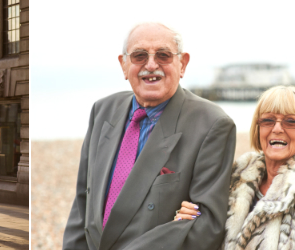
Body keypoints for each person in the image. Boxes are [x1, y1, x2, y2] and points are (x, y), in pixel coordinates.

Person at [62, 22, 237, 250]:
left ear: (182, 64)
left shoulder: (212, 124)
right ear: (124, 65)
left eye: (163, 55)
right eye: (139, 56)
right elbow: (83, 204)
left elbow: (206, 228)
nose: (151, 65)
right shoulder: (103, 110)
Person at [174, 86, 295, 249]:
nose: (277, 129)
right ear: (258, 128)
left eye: (291, 121)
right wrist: (187, 222)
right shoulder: (235, 179)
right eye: (268, 120)